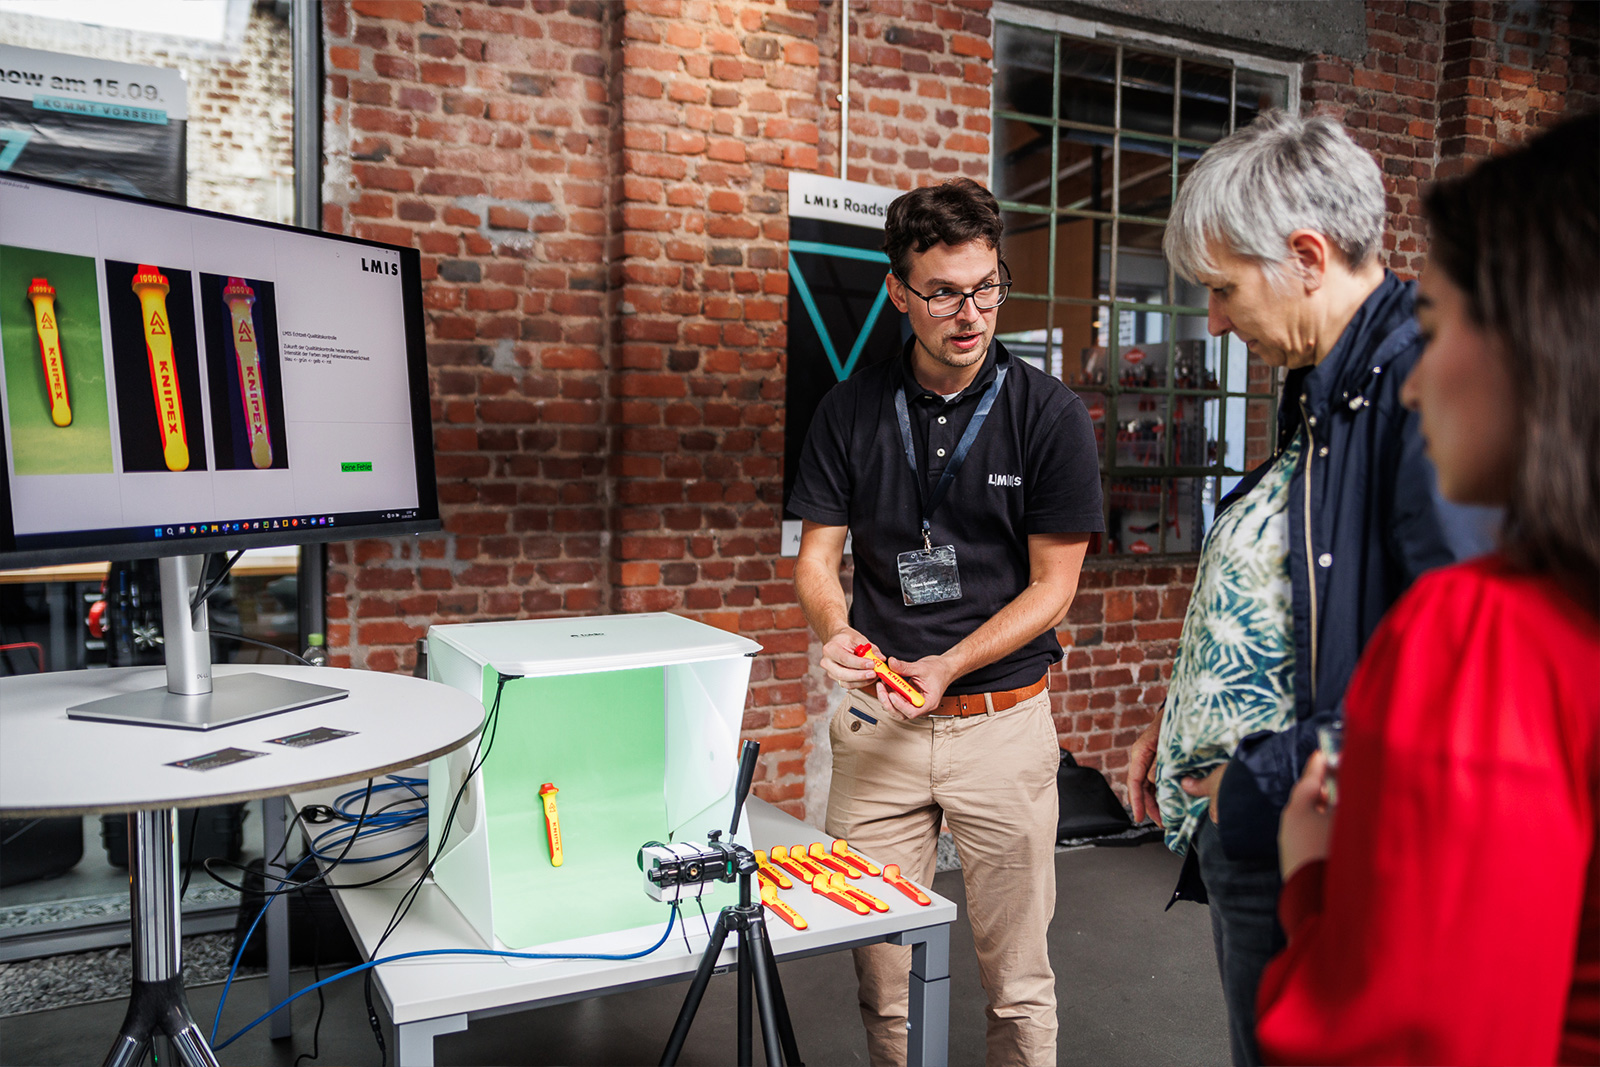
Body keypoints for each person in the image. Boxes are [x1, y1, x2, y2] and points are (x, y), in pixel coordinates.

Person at [1123, 110, 1484, 1067]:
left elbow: (1450, 676)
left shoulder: (1418, 389)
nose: (1213, 320)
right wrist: (1183, 715)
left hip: (1319, 833)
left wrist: (1254, 780)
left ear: (1308, 255)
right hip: (1269, 823)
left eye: (1223, 288)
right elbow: (1283, 592)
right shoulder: (1324, 382)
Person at [1256, 112, 1599, 1066]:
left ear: (1544, 342)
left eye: (1438, 327)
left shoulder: (1488, 633)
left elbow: (1412, 1036)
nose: (1417, 383)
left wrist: (1312, 883)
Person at [790, 177, 1103, 1067]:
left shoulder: (1048, 414)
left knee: (1019, 982)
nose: (970, 313)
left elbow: (1054, 588)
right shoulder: (849, 411)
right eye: (943, 292)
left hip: (1001, 726)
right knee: (883, 984)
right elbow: (818, 561)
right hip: (880, 726)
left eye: (987, 286)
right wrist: (834, 630)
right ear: (898, 289)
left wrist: (950, 662)